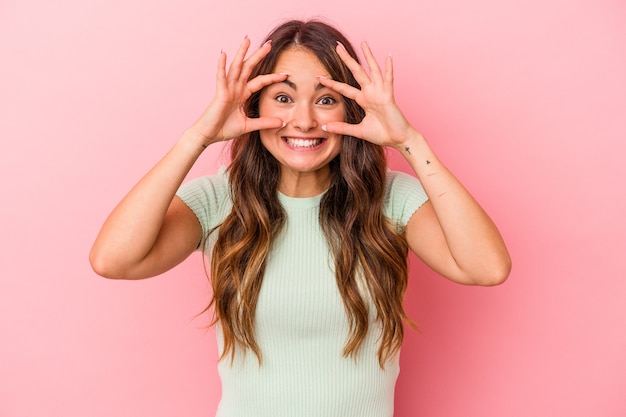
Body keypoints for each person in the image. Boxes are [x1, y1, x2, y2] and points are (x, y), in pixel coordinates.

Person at [90, 19, 511, 417]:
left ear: (351, 110)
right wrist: (197, 137)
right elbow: (113, 260)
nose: (305, 120)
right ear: (254, 107)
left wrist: (408, 140)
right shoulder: (221, 199)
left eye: (326, 100)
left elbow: (487, 268)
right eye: (284, 98)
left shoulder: (391, 199)